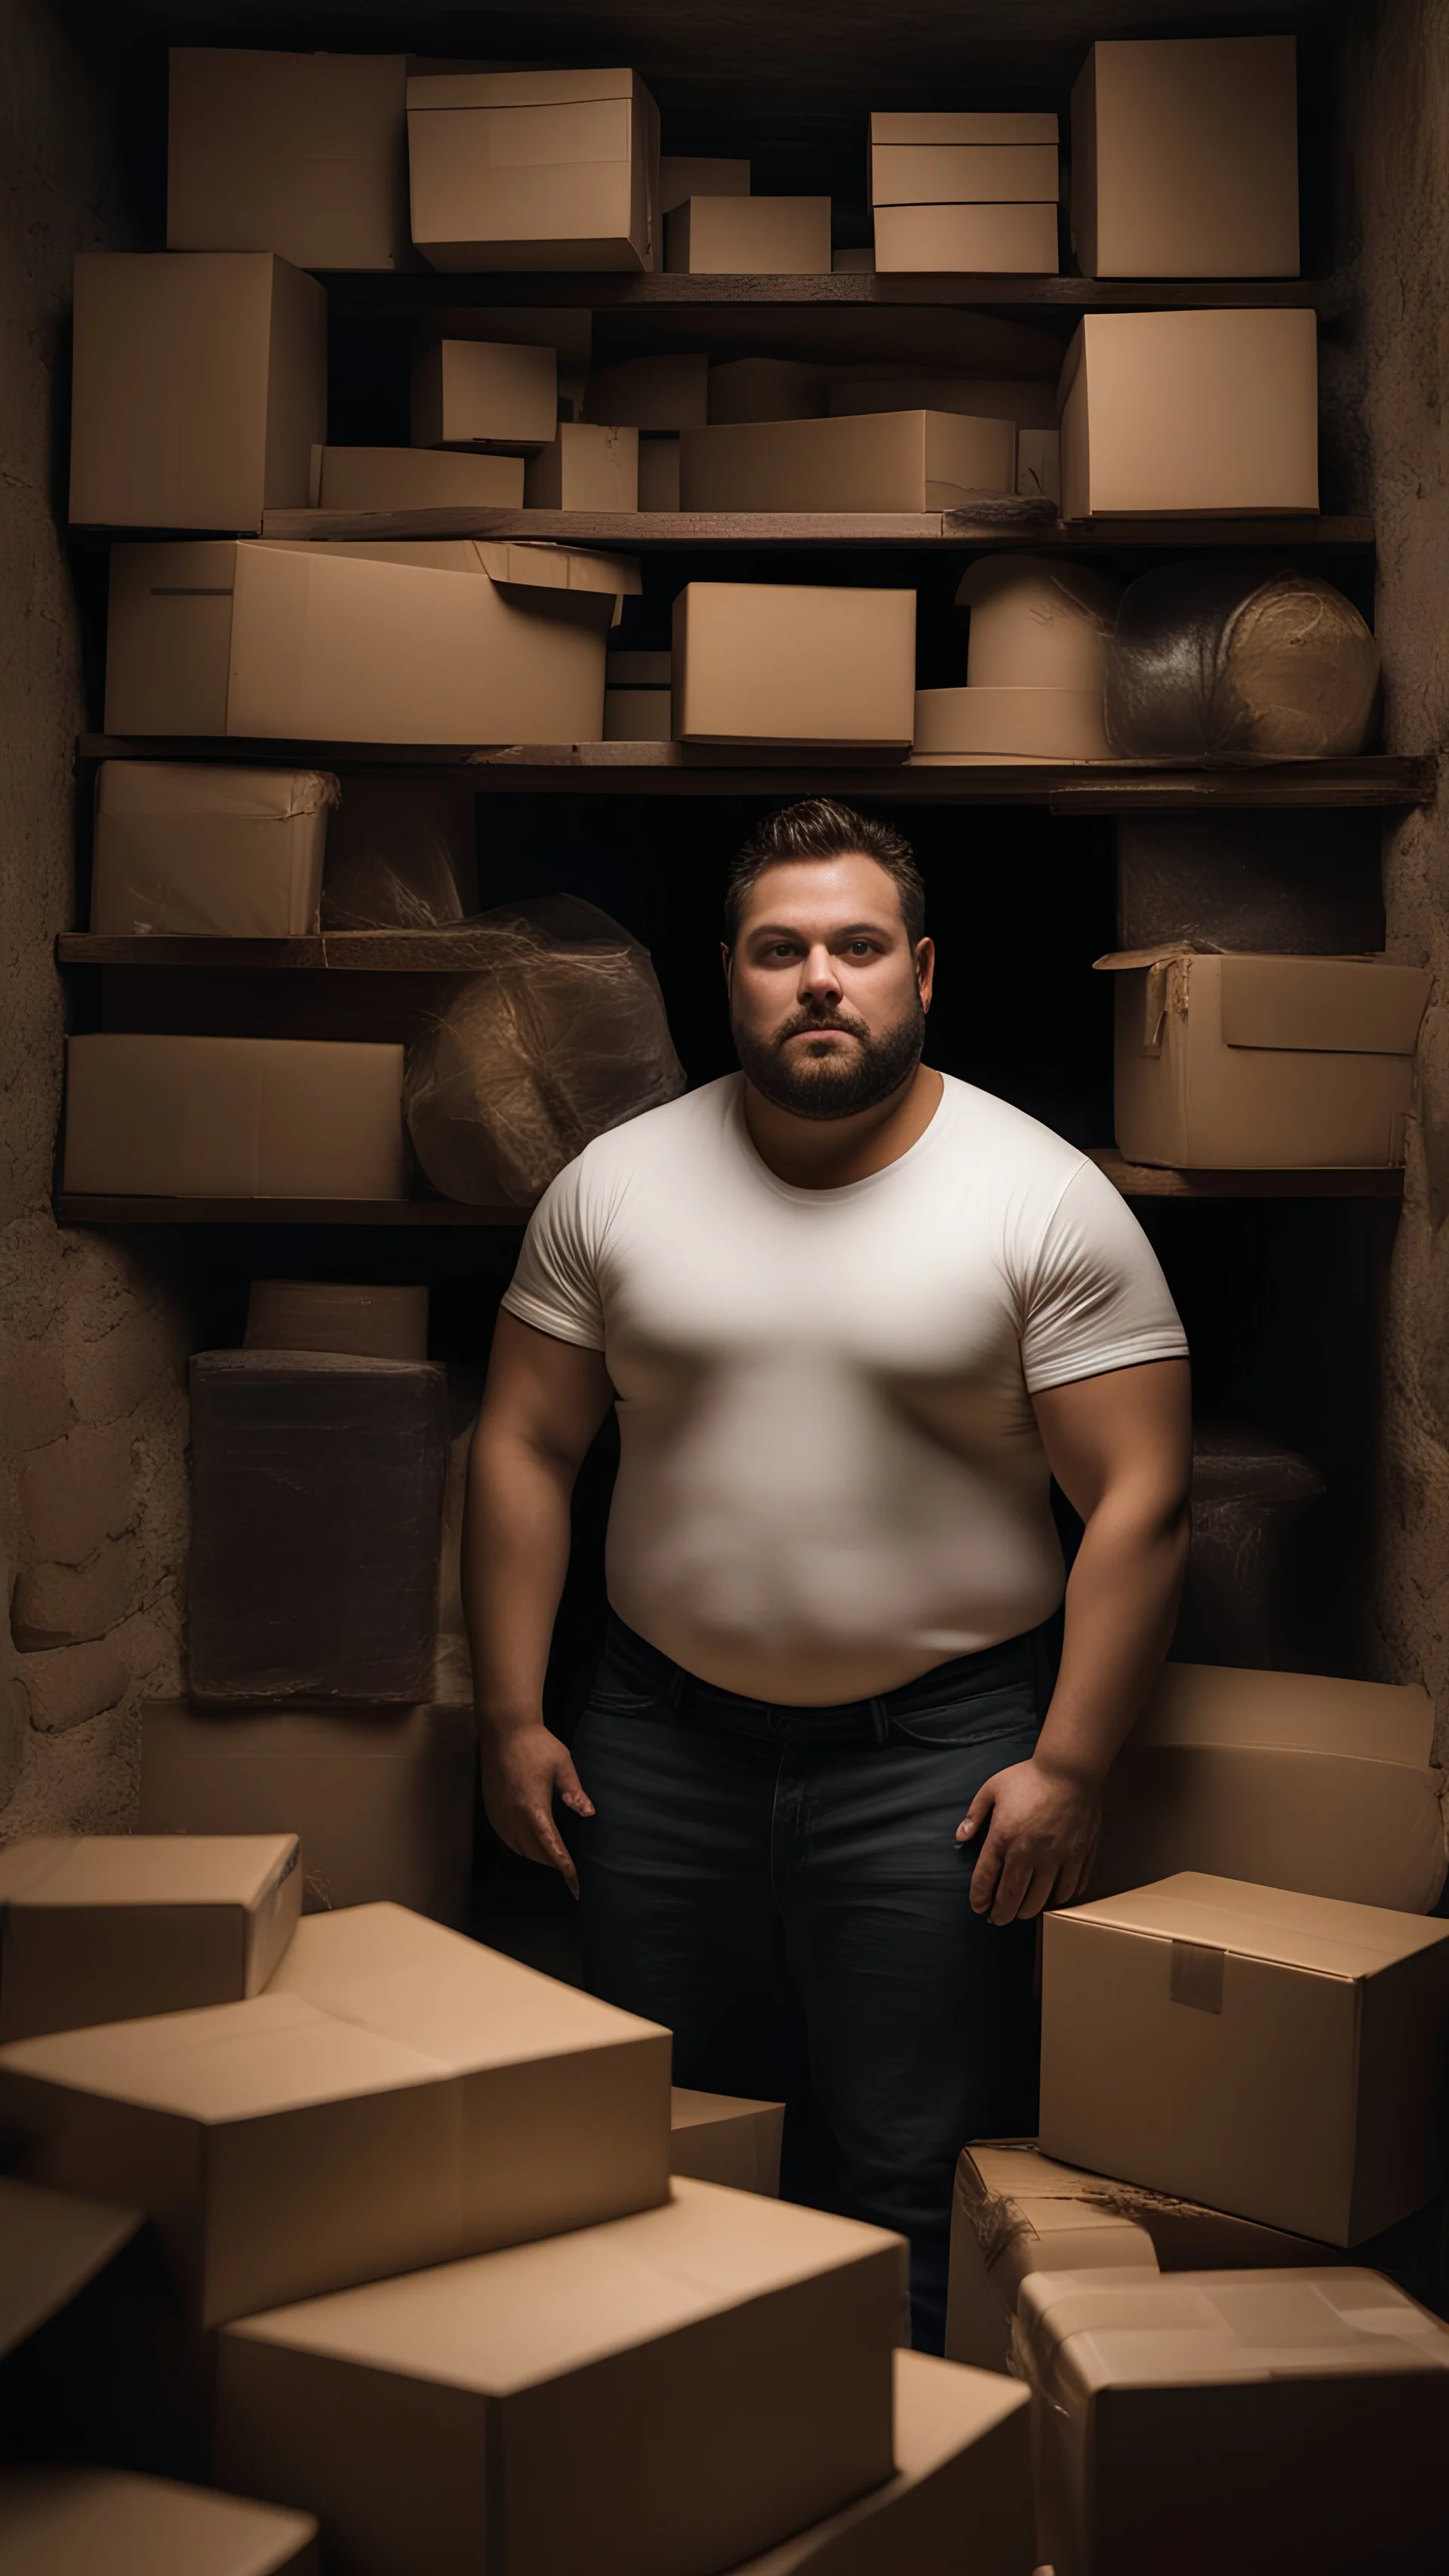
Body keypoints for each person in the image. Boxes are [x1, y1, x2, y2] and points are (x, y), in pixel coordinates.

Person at [463, 797, 1192, 2350]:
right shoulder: (615, 1184)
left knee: (912, 2170)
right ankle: (684, 2474)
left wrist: (1070, 1759)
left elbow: (1143, 1494)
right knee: (660, 2146)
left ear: (920, 970)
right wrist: (510, 1713)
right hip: (653, 1745)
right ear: (725, 974)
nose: (819, 978)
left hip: (939, 1756)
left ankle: (900, 2495)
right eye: (779, 948)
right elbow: (526, 1444)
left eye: (857, 947)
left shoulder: (1040, 1194)